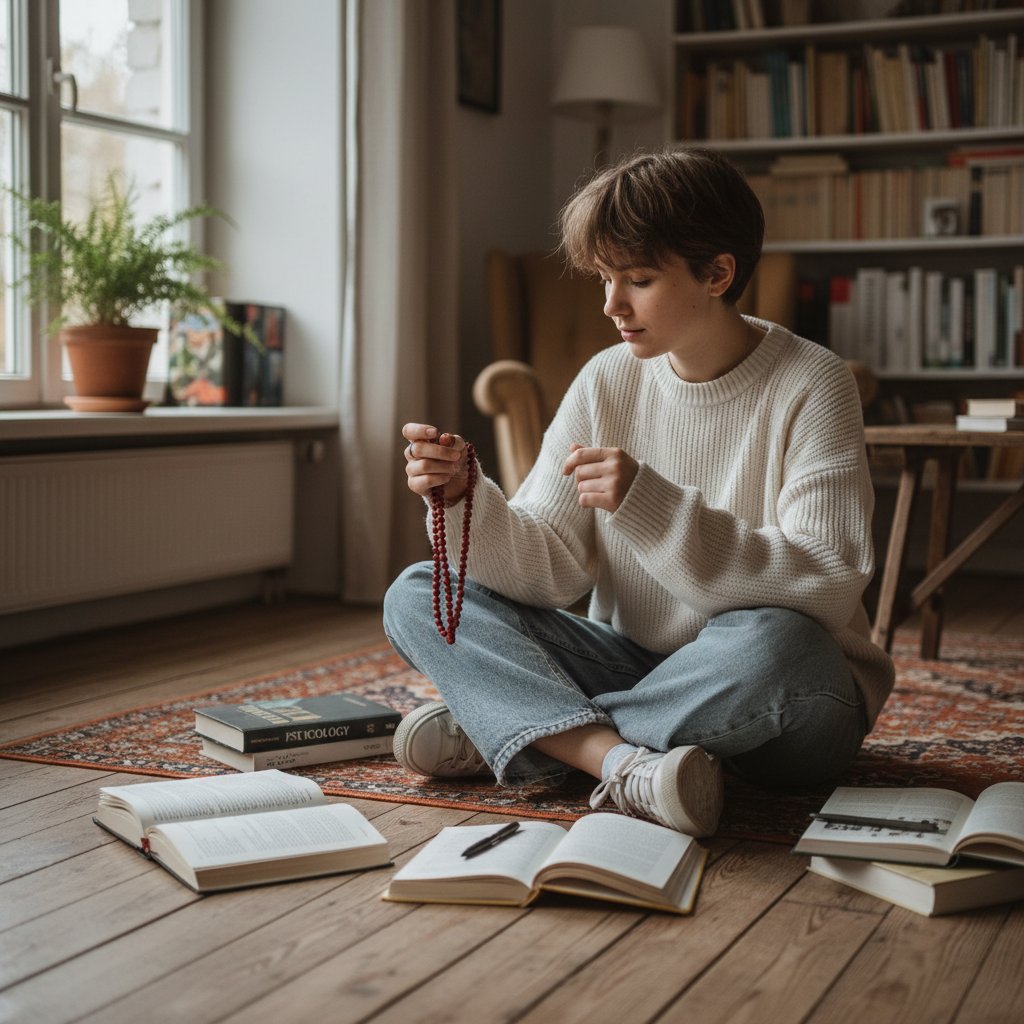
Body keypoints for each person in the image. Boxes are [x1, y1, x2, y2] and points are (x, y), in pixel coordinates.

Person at [383, 147, 895, 837]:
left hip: (788, 696)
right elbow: (551, 565)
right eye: (604, 278)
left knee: (781, 642)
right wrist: (461, 499)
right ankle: (616, 760)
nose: (611, 305)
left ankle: (534, 736)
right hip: (636, 665)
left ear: (718, 274)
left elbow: (829, 578)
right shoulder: (607, 378)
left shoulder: (813, 382)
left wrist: (652, 507)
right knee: (418, 591)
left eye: (639, 280)